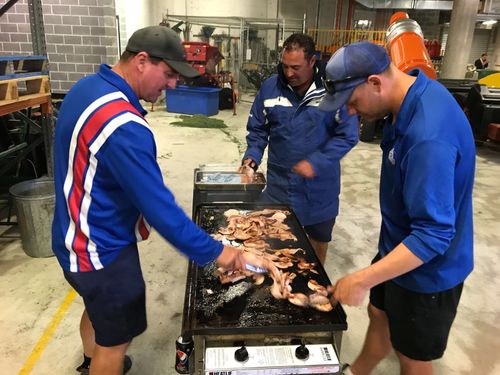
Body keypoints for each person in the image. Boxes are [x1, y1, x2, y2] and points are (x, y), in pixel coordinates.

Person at [52, 26, 257, 375]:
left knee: (98, 310)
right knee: (115, 343)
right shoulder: (122, 125)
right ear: (142, 61)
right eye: (169, 74)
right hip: (100, 248)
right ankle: (102, 362)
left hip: (71, 233)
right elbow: (161, 211)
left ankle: (91, 360)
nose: (172, 85)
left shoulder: (89, 87)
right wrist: (220, 252)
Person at [320, 42, 475, 375]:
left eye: (352, 101)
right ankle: (356, 372)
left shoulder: (428, 137)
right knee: (380, 314)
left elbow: (433, 236)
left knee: (412, 355)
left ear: (375, 82)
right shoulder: (406, 96)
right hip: (397, 245)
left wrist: (362, 278)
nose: (349, 112)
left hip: (428, 268)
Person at [240, 33, 358, 264]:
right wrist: (251, 158)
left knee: (314, 257)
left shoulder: (332, 91)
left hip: (319, 192)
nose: (289, 73)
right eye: (285, 66)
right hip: (279, 188)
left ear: (312, 61)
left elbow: (347, 136)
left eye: (296, 67)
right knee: (268, 247)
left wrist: (317, 162)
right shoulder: (270, 88)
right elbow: (258, 130)